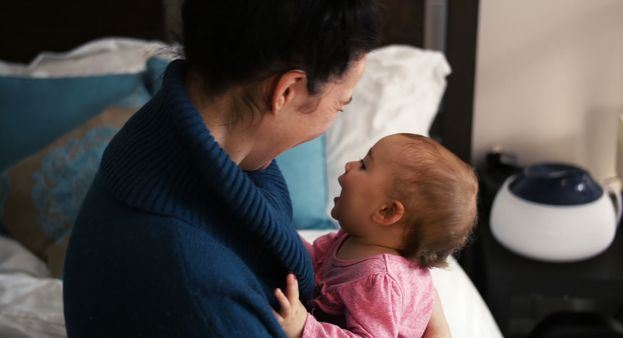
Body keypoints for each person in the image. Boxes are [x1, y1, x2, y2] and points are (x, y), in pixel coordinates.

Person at [62, 1, 381, 337]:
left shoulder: (167, 128)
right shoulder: (199, 292)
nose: (331, 122)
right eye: (339, 106)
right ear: (286, 91)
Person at [273, 133, 479, 338]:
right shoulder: (355, 239)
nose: (350, 165)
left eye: (364, 165)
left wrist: (304, 328)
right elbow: (314, 260)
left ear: (386, 211)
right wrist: (281, 235)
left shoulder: (380, 280)